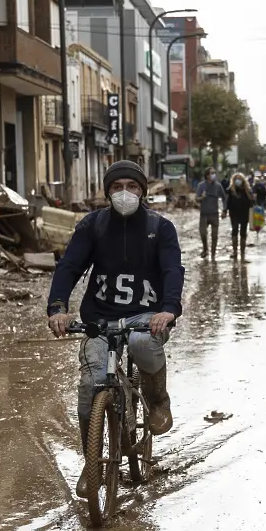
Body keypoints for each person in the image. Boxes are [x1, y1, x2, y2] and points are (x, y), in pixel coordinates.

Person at [47, 160, 185, 497]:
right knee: (88, 388)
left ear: (143, 191)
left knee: (141, 344)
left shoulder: (160, 227)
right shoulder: (93, 226)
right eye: (118, 186)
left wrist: (168, 310)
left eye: (133, 186)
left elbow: (172, 270)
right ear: (108, 191)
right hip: (99, 318)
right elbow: (69, 267)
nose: (125, 192)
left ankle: (157, 400)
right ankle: (91, 464)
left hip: (145, 316)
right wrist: (58, 309)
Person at [194, 168, 225, 259]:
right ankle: (205, 248)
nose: (214, 175)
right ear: (207, 175)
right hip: (204, 214)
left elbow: (224, 198)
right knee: (203, 233)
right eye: (212, 173)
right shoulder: (201, 185)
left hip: (214, 214)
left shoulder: (218, 186)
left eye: (214, 173)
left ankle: (213, 254)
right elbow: (196, 198)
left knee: (214, 235)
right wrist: (202, 197)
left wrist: (224, 210)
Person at [226, 173, 255, 260]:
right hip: (234, 214)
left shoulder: (247, 190)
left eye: (240, 179)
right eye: (236, 179)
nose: (238, 181)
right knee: (234, 230)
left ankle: (242, 252)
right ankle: (235, 252)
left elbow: (251, 202)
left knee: (243, 233)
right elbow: (228, 203)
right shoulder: (231, 190)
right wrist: (225, 211)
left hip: (244, 214)